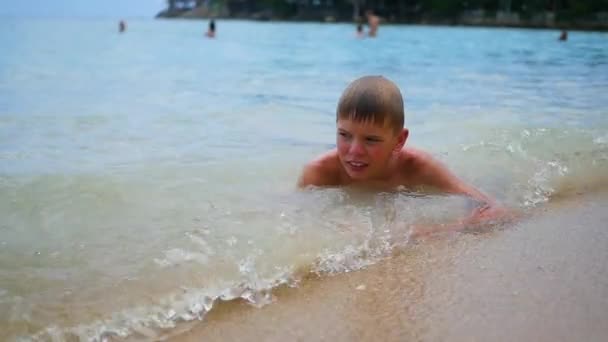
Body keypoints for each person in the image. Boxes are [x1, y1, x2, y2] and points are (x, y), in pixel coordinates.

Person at [298, 76, 508, 238]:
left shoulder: (418, 167)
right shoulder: (320, 172)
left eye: (371, 140)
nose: (354, 151)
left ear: (399, 141)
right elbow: (297, 221)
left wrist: (430, 231)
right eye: (344, 135)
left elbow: (495, 210)